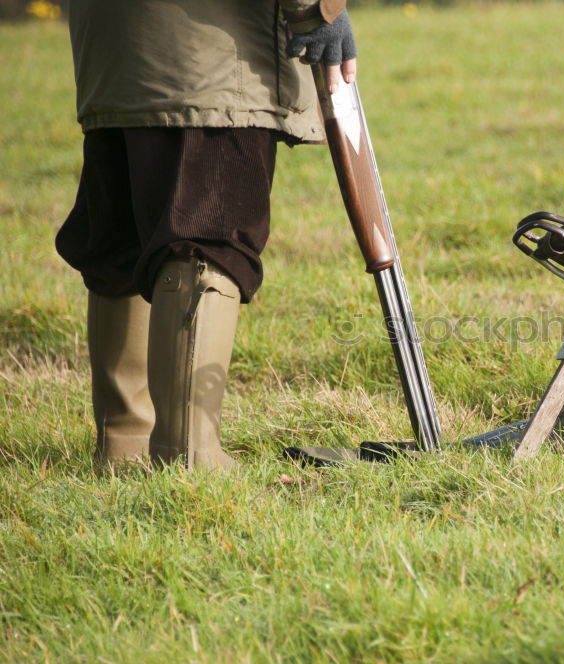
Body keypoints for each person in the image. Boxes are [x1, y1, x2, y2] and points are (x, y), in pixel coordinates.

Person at [57, 0, 357, 471]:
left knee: (121, 241)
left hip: (110, 45)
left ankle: (122, 445)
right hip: (208, 52)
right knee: (208, 238)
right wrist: (319, 9)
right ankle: (189, 455)